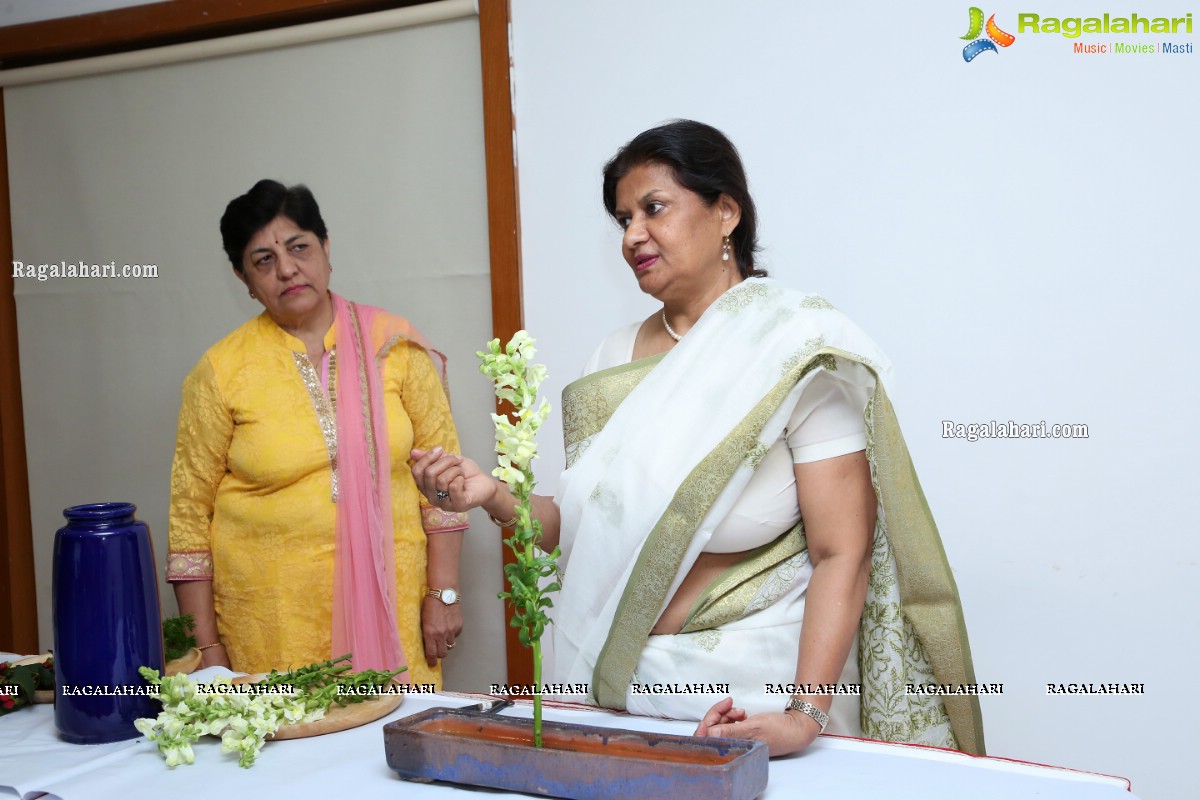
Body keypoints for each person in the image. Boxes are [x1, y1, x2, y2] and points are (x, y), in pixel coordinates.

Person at [410, 121, 984, 756]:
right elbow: (580, 533)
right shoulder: (612, 359)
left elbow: (840, 552)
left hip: (757, 700)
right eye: (623, 218)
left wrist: (803, 716)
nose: (632, 236)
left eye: (653, 208)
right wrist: (491, 494)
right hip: (616, 691)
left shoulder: (793, 349)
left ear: (726, 213)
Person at [167, 180, 468, 686]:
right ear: (243, 278)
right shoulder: (221, 370)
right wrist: (206, 649)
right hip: (272, 627)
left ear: (326, 249)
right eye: (263, 260)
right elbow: (189, 520)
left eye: (299, 247)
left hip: (391, 610)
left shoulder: (393, 346)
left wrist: (444, 593)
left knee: (389, 755)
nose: (286, 269)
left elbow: (446, 487)